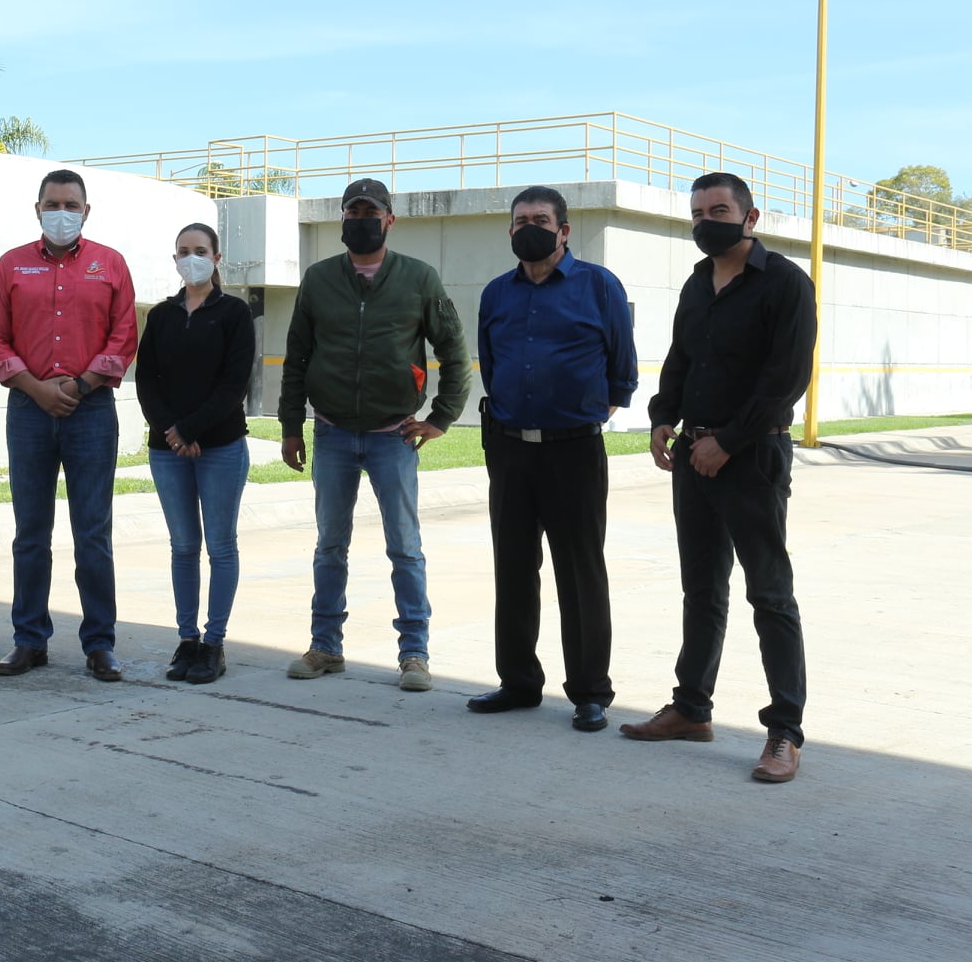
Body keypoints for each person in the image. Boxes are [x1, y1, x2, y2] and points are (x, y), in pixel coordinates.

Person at [623, 172, 815, 784]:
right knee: (702, 589)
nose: (708, 220)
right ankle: (690, 709)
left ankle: (785, 732)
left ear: (750, 218)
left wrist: (727, 443)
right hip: (693, 454)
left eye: (721, 210)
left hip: (752, 455)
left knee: (770, 594)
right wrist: (661, 418)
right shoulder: (697, 283)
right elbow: (682, 358)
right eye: (699, 212)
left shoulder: (785, 283)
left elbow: (786, 379)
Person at [278, 178, 470, 689]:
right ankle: (325, 647)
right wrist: (291, 427)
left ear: (389, 220)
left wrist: (441, 417)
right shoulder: (319, 280)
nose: (361, 218)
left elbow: (454, 352)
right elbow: (296, 357)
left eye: (371, 211)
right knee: (329, 546)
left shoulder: (419, 279)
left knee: (405, 547)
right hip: (334, 434)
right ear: (342, 219)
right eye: (352, 210)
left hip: (394, 437)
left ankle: (414, 653)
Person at [469, 186, 638, 732]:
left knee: (580, 571)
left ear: (564, 230)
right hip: (511, 447)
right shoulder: (496, 293)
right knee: (514, 568)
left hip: (574, 450)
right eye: (520, 221)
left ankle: (590, 691)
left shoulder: (599, 286)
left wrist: (583, 411)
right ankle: (518, 682)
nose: (529, 228)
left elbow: (622, 369)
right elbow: (491, 366)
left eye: (541, 220)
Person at [0, 168, 138, 681]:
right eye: (53, 203)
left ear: (86, 211)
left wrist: (79, 386)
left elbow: (123, 336)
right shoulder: (11, 266)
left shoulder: (110, 264)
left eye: (71, 204)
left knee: (92, 532)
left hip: (89, 410)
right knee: (31, 533)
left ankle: (99, 644)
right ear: (37, 209)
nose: (62, 213)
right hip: (29, 410)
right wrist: (37, 389)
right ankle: (29, 640)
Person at [136, 223, 255, 686]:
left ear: (217, 258)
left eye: (200, 251)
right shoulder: (162, 316)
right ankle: (187, 640)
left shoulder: (234, 313)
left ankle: (214, 643)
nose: (192, 258)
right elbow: (146, 380)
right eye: (184, 251)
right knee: (183, 546)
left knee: (220, 546)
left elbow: (233, 383)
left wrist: (189, 428)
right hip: (167, 449)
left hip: (220, 446)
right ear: (175, 260)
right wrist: (171, 432)